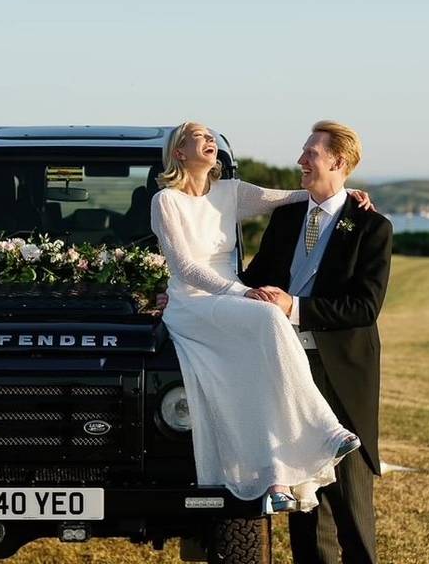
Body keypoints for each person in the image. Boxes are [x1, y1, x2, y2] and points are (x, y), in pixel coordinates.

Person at [149, 121, 372, 514]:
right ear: (179, 152)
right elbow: (184, 267)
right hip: (191, 303)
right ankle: (325, 429)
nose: (209, 140)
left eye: (211, 136)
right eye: (198, 137)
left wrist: (345, 194)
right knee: (271, 316)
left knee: (262, 373)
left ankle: (277, 477)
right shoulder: (166, 200)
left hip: (231, 302)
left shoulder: (231, 192)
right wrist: (241, 292)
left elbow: (291, 197)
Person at [239, 120, 392, 563]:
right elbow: (253, 279)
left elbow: (364, 308)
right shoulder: (287, 218)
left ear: (338, 161)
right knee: (305, 496)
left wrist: (295, 307)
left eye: (311, 153)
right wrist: (198, 293)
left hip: (341, 372)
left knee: (350, 498)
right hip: (287, 367)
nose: (300, 160)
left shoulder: (371, 227)